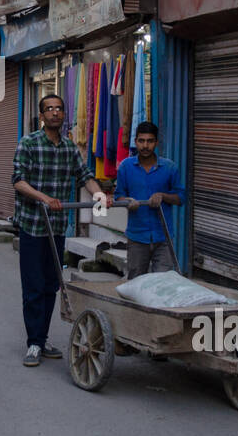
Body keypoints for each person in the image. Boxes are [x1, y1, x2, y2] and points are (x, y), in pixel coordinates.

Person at [12, 94, 106, 367]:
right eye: (49, 109)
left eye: (59, 109)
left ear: (64, 115)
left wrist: (98, 194)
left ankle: (42, 339)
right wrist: (44, 198)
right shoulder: (28, 143)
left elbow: (85, 175)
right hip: (32, 226)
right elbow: (18, 180)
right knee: (33, 286)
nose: (54, 113)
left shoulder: (69, 148)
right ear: (42, 116)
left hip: (57, 227)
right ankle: (33, 343)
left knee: (52, 285)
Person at [113, 121, 187, 279]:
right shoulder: (126, 167)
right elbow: (118, 196)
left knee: (163, 284)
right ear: (135, 142)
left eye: (150, 141)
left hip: (163, 237)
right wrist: (127, 202)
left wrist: (163, 196)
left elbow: (181, 198)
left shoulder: (169, 168)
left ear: (156, 143)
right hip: (137, 238)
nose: (145, 146)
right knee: (136, 283)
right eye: (141, 141)